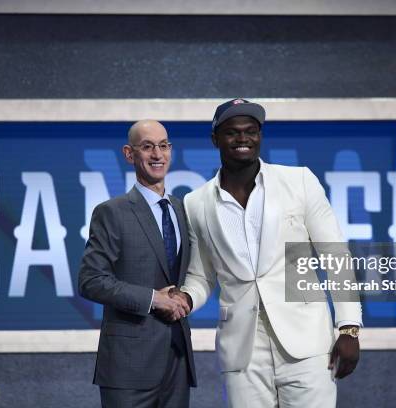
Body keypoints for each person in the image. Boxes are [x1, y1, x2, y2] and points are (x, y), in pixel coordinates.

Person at [176, 99, 363, 408]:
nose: (243, 139)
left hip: (306, 342)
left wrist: (349, 328)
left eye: (251, 131)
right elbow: (202, 275)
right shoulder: (196, 203)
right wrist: (185, 298)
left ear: (260, 135)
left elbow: (334, 254)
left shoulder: (299, 181)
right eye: (232, 133)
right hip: (243, 349)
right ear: (215, 139)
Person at [78, 120, 196, 408]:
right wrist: (153, 299)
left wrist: (186, 298)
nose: (157, 154)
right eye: (147, 147)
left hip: (177, 359)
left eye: (163, 145)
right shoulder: (111, 213)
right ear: (129, 154)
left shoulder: (185, 209)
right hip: (128, 365)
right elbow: (90, 280)